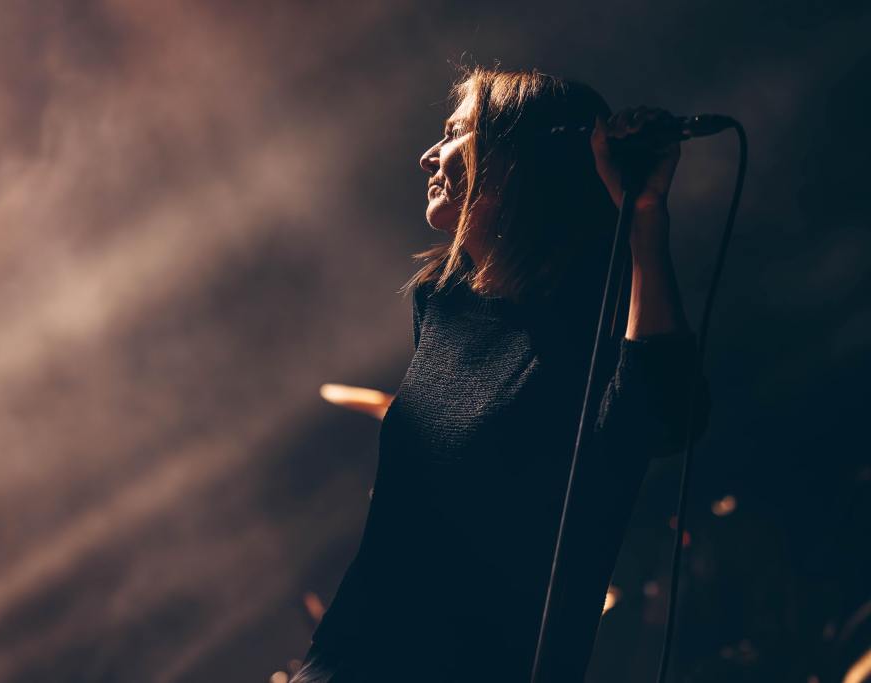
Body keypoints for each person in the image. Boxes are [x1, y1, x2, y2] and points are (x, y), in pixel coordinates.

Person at [290, 65, 711, 682]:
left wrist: (644, 215)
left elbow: (665, 413)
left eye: (456, 131)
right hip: (347, 659)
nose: (429, 155)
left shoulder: (597, 318)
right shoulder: (443, 302)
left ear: (517, 158)